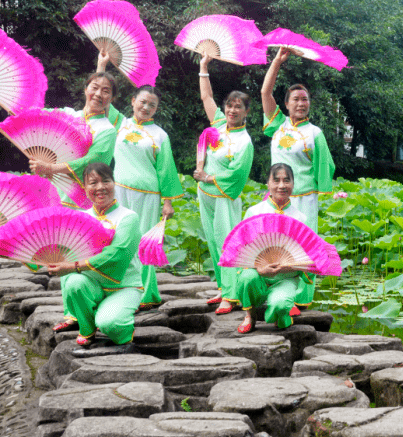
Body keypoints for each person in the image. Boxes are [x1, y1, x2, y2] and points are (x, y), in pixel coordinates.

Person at [0, 51, 124, 206]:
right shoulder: (67, 115)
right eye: (94, 87)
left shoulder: (107, 131)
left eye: (106, 91)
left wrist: (50, 167)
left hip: (76, 200)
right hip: (47, 191)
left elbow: (90, 163)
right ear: (86, 89)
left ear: (112, 99)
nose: (98, 94)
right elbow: (29, 113)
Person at [259, 47, 335, 311]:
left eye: (305, 99)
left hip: (303, 198)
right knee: (276, 244)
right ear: (287, 103)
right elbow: (265, 93)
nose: (301, 103)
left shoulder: (315, 133)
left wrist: (323, 194)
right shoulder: (277, 125)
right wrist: (277, 62)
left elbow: (325, 168)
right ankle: (281, 291)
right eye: (296, 99)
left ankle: (302, 298)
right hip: (276, 197)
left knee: (305, 246)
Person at [45, 162, 143, 347]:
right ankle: (87, 327)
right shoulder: (81, 218)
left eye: (106, 181)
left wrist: (74, 266)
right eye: (92, 183)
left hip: (123, 287)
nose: (100, 187)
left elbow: (117, 254)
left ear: (114, 183)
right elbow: (56, 249)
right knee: (74, 282)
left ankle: (119, 325)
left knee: (110, 323)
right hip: (91, 285)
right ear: (84, 187)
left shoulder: (128, 217)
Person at [113, 86, 183, 310]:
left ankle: (146, 294)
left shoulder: (160, 135)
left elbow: (166, 170)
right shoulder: (119, 123)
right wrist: (102, 66)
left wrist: (168, 201)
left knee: (144, 244)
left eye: (152, 105)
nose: (146, 107)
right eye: (142, 102)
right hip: (119, 190)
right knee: (121, 240)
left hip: (148, 195)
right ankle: (122, 288)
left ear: (156, 109)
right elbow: (100, 100)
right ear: (133, 101)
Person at [196, 54, 255, 313]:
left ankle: (231, 296)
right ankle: (223, 288)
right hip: (204, 194)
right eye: (229, 105)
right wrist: (203, 67)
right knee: (212, 240)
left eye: (238, 107)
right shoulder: (218, 125)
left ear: (246, 112)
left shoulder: (245, 142)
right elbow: (206, 98)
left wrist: (208, 177)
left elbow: (236, 176)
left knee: (227, 242)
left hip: (223, 196)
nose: (232, 110)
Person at [230, 164, 309, 333]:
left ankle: (281, 312)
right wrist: (259, 268)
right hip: (258, 274)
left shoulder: (301, 218)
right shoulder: (254, 212)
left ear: (293, 184)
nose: (282, 185)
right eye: (276, 180)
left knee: (280, 306)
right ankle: (250, 316)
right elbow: (242, 251)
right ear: (268, 184)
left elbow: (309, 257)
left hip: (286, 278)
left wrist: (289, 266)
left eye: (286, 181)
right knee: (246, 278)